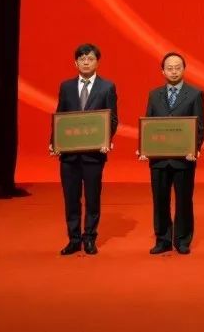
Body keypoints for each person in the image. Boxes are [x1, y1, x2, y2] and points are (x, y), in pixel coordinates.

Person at [51, 43, 119, 255]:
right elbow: (60, 116)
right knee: (71, 199)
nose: (86, 62)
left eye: (90, 58)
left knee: (92, 198)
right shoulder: (66, 86)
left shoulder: (107, 87)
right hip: (69, 155)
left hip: (94, 155)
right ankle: (74, 239)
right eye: (82, 59)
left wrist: (106, 139)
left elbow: (112, 118)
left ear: (97, 62)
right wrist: (54, 142)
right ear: (76, 63)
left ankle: (89, 238)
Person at [141, 52, 204, 255]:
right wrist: (145, 148)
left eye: (178, 67)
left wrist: (195, 149)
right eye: (169, 68)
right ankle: (162, 240)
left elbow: (199, 126)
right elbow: (148, 124)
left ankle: (182, 240)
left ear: (184, 69)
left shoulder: (194, 94)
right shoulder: (154, 94)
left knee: (184, 200)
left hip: (184, 159)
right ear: (163, 71)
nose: (174, 71)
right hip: (159, 159)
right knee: (160, 200)